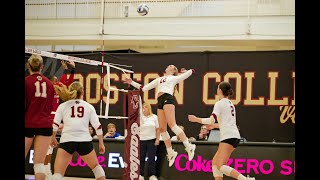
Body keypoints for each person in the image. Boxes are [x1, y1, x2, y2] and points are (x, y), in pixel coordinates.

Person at [124, 65, 196, 167]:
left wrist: (187, 71)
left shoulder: (174, 78)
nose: (168, 66)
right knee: (162, 129)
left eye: (171, 66)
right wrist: (132, 82)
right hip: (160, 100)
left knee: (172, 125)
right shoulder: (159, 79)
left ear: (174, 70)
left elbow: (190, 72)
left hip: (168, 98)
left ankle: (189, 146)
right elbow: (144, 88)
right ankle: (171, 152)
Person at [188, 81, 255, 180]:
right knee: (215, 163)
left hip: (228, 136)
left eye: (218, 88)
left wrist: (196, 119)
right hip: (232, 135)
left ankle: (245, 179)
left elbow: (211, 120)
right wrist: (213, 126)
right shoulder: (230, 104)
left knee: (220, 165)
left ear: (220, 90)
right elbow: (225, 123)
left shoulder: (219, 103)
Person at [50, 81, 106, 180]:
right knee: (96, 168)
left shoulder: (63, 106)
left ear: (70, 91)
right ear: (82, 92)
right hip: (84, 141)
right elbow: (98, 126)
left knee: (58, 174)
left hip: (67, 140)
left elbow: (55, 125)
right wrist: (101, 143)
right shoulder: (89, 106)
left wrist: (53, 137)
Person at [25, 54, 55, 180]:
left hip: (28, 124)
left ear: (28, 66)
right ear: (42, 67)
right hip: (45, 125)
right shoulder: (49, 84)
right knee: (39, 164)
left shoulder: (26, 82)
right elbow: (50, 107)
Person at [44, 60, 75, 180]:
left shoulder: (57, 87)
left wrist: (69, 70)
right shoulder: (48, 88)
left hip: (54, 120)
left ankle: (48, 172)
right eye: (55, 80)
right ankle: (46, 172)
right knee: (47, 148)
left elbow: (67, 82)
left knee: (50, 148)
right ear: (50, 81)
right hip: (47, 120)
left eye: (57, 80)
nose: (58, 82)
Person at [139, 102, 160, 180]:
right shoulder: (139, 118)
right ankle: (140, 175)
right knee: (141, 158)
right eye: (143, 107)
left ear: (149, 108)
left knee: (151, 158)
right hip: (141, 140)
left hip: (151, 140)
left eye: (146, 107)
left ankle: (152, 175)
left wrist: (157, 139)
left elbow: (158, 129)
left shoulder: (154, 117)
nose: (144, 109)